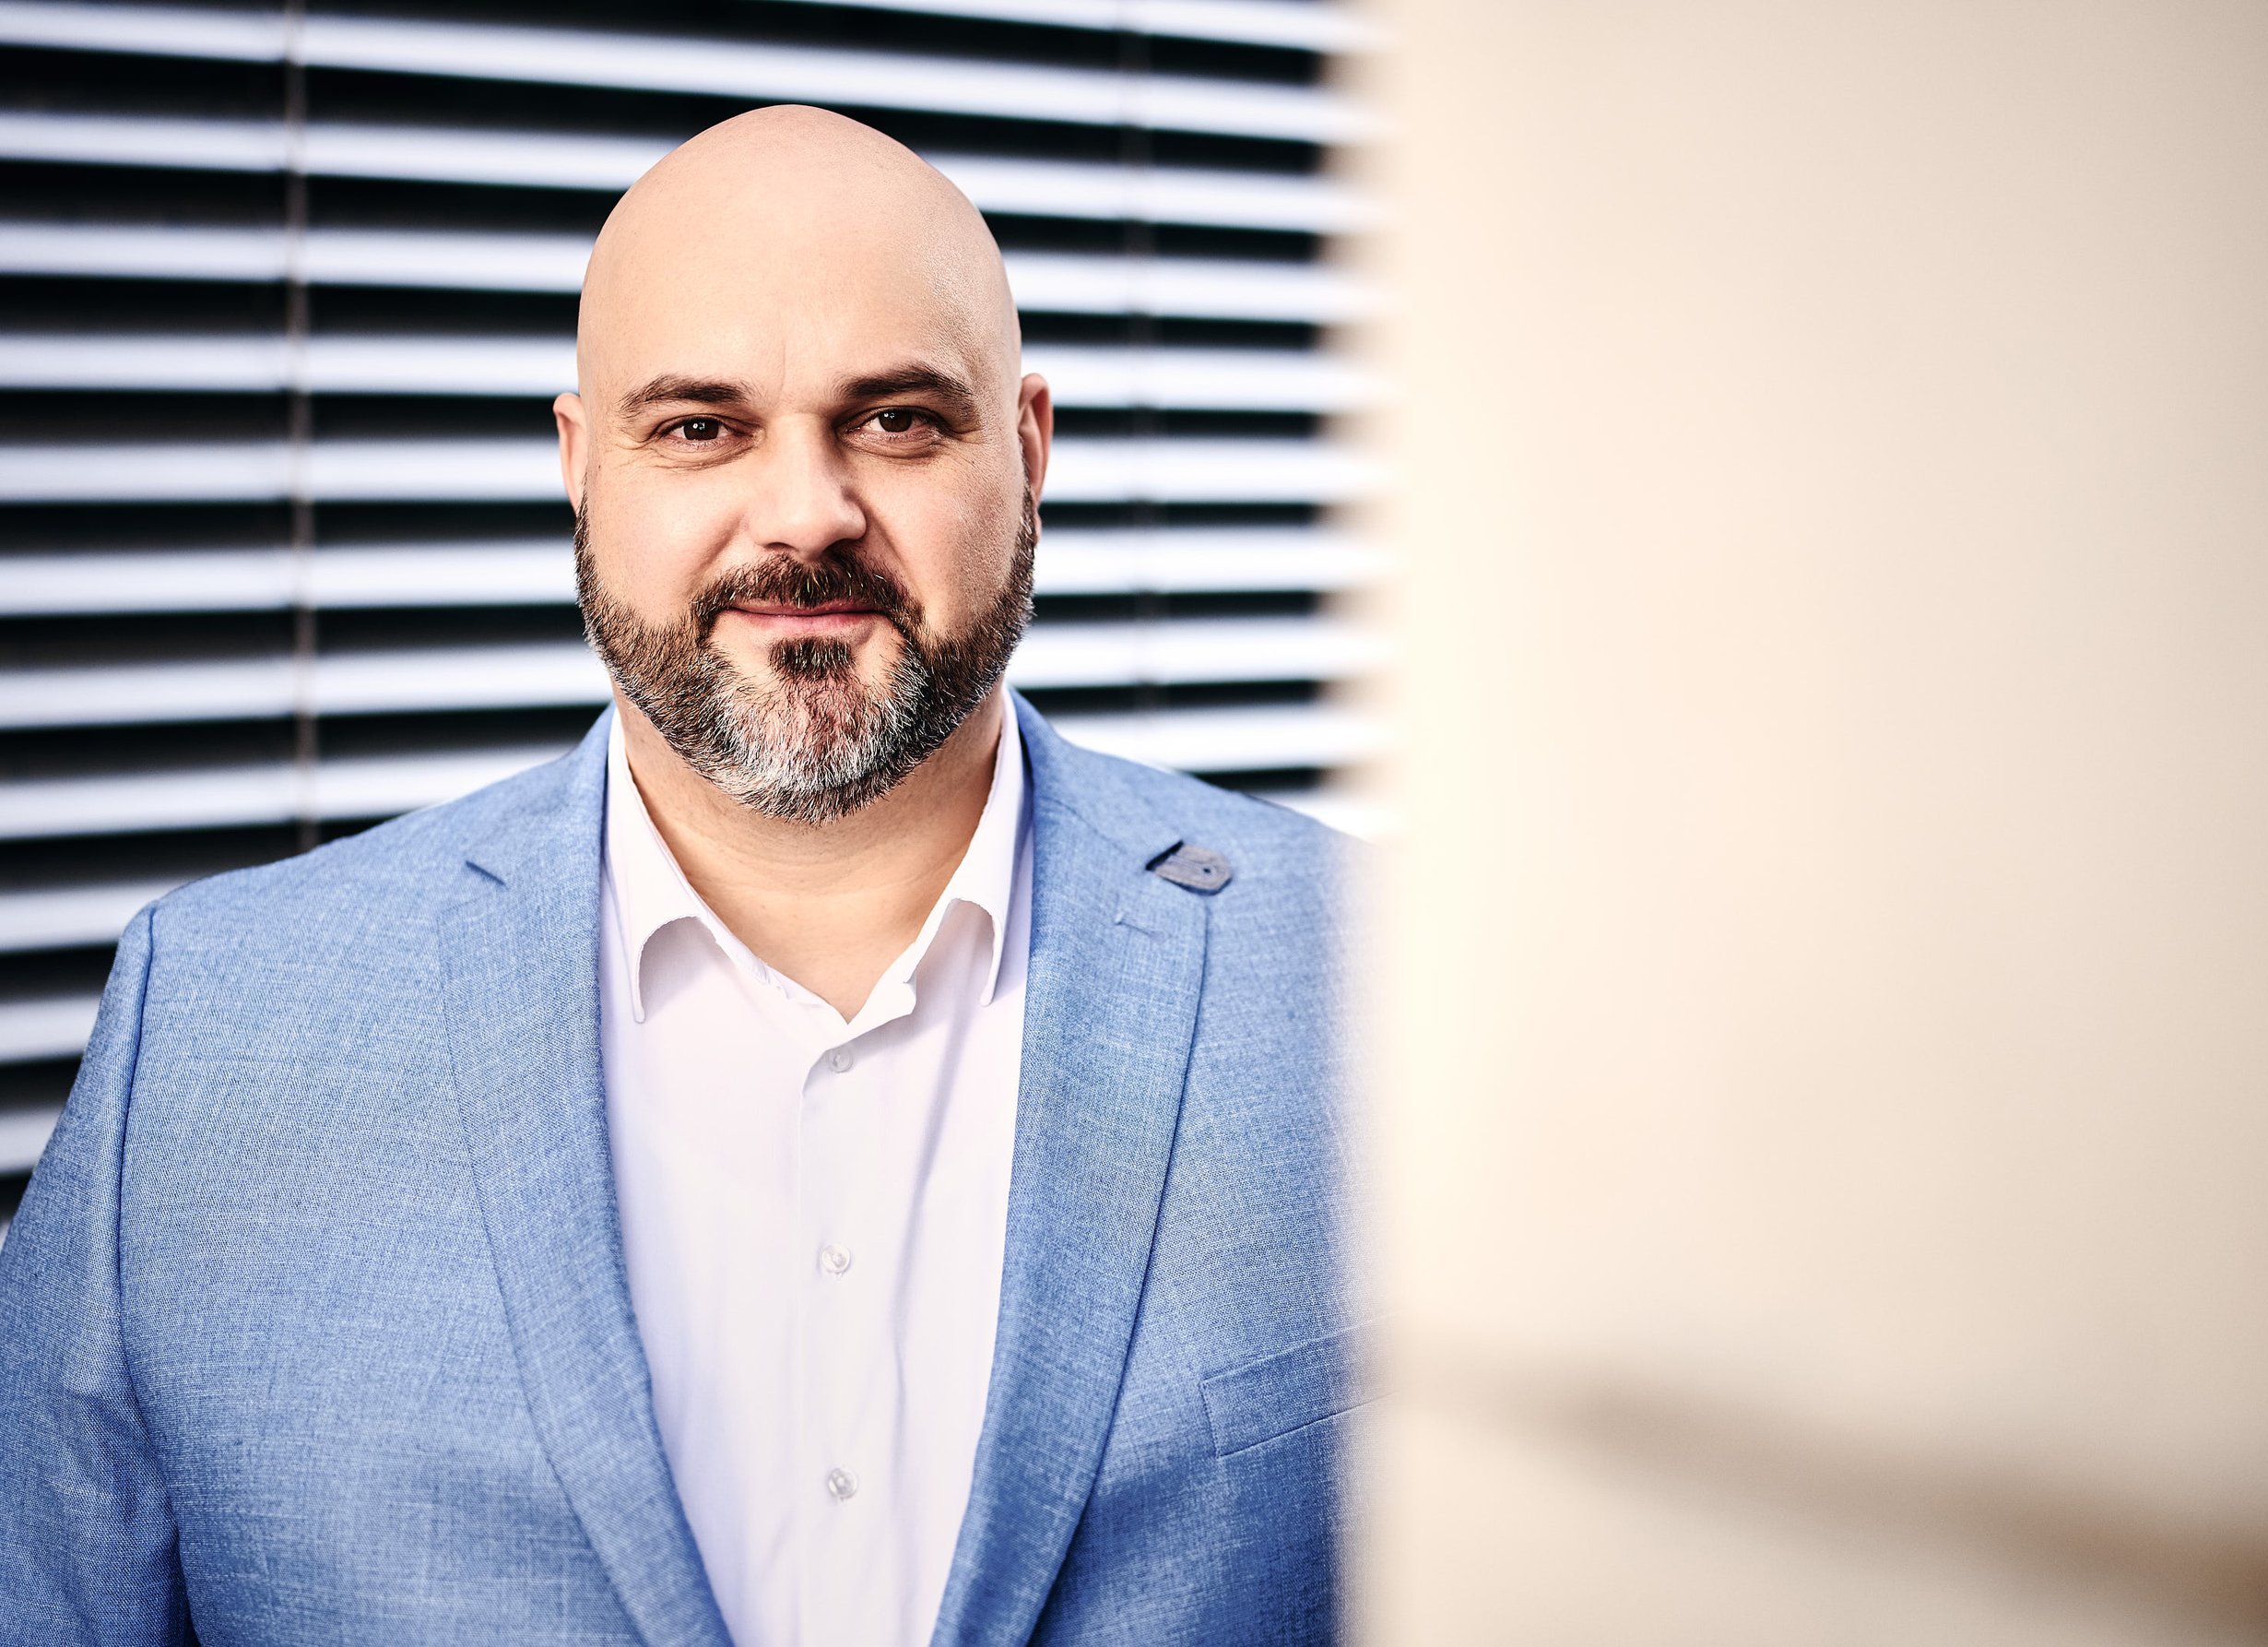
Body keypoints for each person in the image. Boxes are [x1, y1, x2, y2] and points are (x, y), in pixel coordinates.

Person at [0, 107, 1364, 1645]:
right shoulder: (208, 1035)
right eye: (703, 425)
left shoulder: (1379, 981)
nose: (803, 514)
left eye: (899, 419)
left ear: (1030, 455)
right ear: (584, 468)